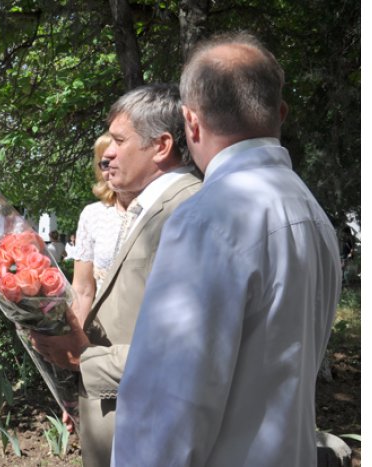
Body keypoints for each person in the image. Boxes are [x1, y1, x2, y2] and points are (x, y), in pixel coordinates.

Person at [113, 33, 341, 467]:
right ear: (281, 113)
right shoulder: (312, 212)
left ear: (190, 124)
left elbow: (165, 410)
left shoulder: (206, 220)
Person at [31, 83, 202, 467]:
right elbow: (90, 293)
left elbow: (186, 350)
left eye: (119, 141)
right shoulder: (152, 208)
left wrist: (80, 360)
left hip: (150, 414)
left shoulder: (187, 212)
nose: (105, 153)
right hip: (119, 399)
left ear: (161, 146)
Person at [70, 132, 125, 329]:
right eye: (104, 164)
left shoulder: (158, 207)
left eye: (116, 159)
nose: (109, 168)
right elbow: (83, 290)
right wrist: (77, 343)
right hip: (103, 333)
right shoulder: (92, 215)